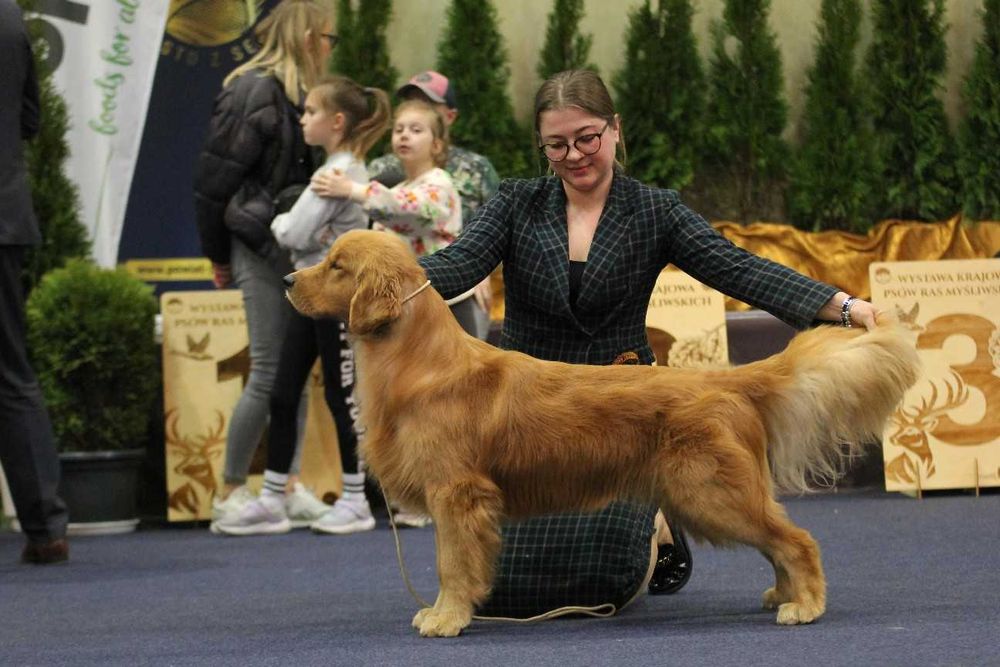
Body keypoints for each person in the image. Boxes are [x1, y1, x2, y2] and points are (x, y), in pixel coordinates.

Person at [401, 69, 880, 612]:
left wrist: (844, 306)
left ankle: (662, 514)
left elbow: (737, 269)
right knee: (509, 592)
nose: (575, 155)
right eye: (556, 145)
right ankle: (658, 514)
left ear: (615, 129)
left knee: (601, 580)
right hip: (529, 418)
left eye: (587, 138)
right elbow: (456, 264)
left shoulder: (654, 209)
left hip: (624, 419)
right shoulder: (517, 203)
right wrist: (386, 279)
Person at [216, 76, 391, 536]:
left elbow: (292, 234)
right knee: (283, 388)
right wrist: (294, 225)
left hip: (336, 303)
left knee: (341, 395)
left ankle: (355, 498)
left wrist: (279, 220)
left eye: (310, 111)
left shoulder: (338, 176)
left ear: (336, 122)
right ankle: (274, 496)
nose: (301, 119)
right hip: (309, 298)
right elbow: (300, 233)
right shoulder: (334, 172)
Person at [193, 0, 336, 531]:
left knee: (293, 375)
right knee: (270, 371)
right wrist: (217, 254)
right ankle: (231, 489)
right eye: (327, 37)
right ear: (305, 37)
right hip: (255, 245)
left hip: (297, 251)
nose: (329, 47)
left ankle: (288, 482)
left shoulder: (305, 95)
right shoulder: (252, 88)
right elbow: (213, 180)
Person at [309, 99, 466, 528]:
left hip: (445, 314)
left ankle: (445, 486)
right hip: (407, 321)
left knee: (443, 412)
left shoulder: (438, 184)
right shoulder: (397, 188)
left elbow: (415, 209)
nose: (403, 136)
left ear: (438, 143)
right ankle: (418, 490)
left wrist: (355, 191)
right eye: (398, 128)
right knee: (407, 406)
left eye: (416, 129)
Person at [0, 0, 69, 565]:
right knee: (11, 370)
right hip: (5, 215)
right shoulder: (8, 16)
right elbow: (29, 120)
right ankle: (46, 528)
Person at [367, 71, 499, 340]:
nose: (406, 133)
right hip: (401, 293)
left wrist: (482, 269)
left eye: (426, 107)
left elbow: (497, 228)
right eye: (401, 124)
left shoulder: (474, 168)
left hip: (453, 286)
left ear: (448, 116)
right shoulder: (385, 168)